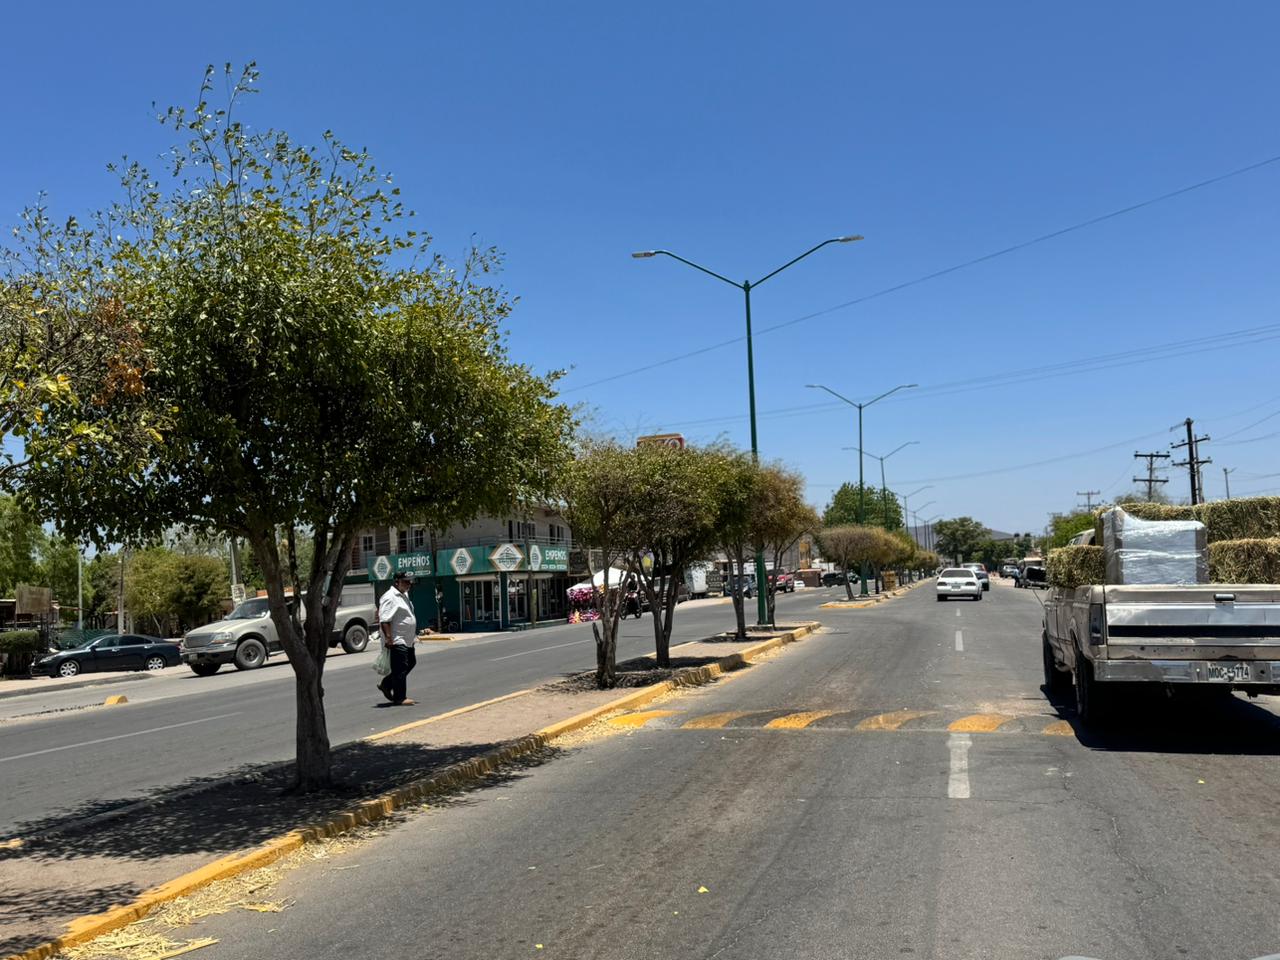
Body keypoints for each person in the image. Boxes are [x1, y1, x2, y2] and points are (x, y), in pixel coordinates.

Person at [378, 572, 418, 706]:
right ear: (397, 582)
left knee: (411, 662)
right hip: (396, 639)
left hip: (407, 639)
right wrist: (389, 638)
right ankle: (400, 697)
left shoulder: (404, 594)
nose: (409, 584)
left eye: (410, 582)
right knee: (400, 667)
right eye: (406, 581)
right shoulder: (390, 597)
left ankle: (387, 683)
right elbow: (384, 620)